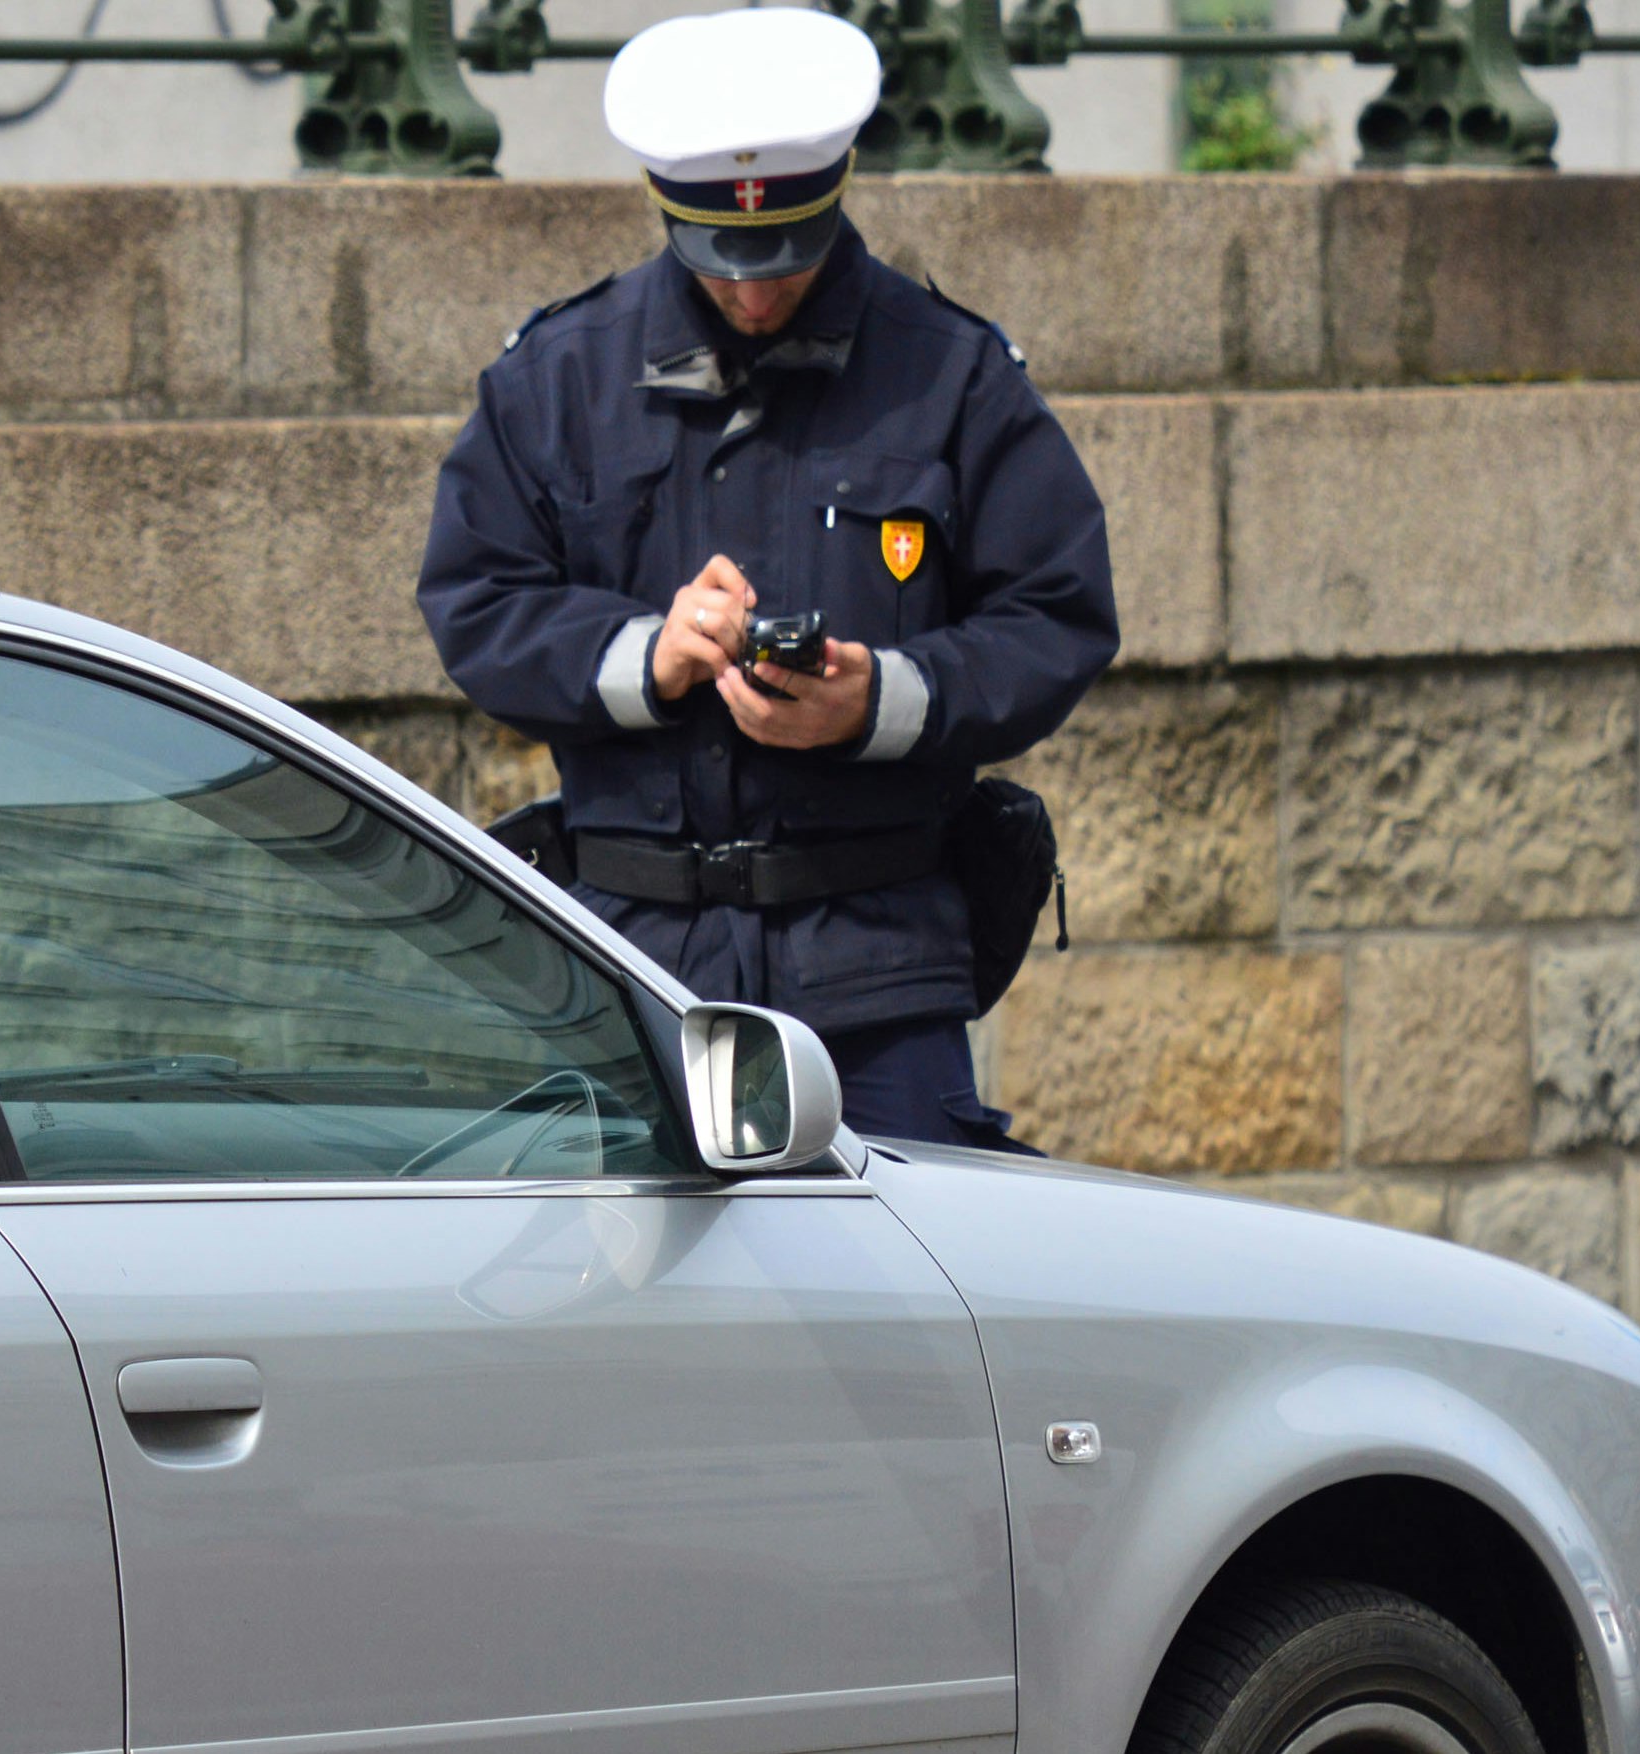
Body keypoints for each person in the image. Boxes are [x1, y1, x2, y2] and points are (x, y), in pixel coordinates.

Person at [415, 5, 1118, 1151]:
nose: (753, 293)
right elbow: (475, 597)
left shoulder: (951, 373)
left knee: (907, 1309)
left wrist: (883, 698)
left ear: (835, 196)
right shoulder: (557, 378)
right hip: (634, 965)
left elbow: (1057, 611)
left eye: (786, 257)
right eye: (723, 260)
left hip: (877, 969)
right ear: (667, 210)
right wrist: (642, 654)